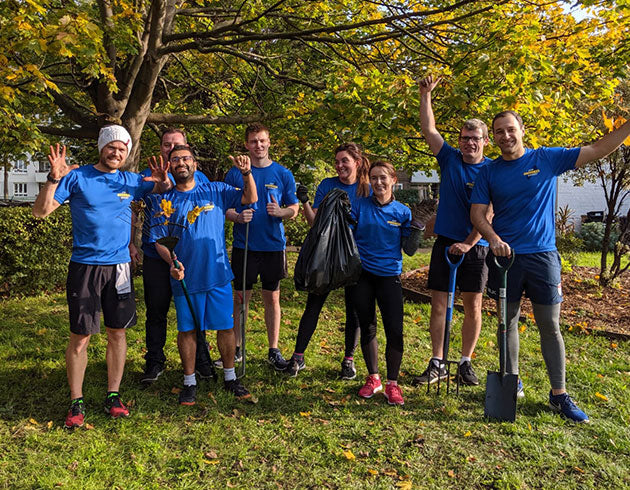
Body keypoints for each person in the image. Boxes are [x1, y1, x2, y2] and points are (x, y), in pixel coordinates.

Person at [471, 110, 630, 423]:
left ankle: (559, 394)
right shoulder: (488, 173)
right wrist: (493, 238)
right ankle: (511, 380)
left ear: (522, 130)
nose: (505, 136)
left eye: (510, 129)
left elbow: (598, 149)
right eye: (499, 132)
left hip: (543, 256)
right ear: (494, 137)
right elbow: (477, 215)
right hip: (506, 258)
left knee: (550, 325)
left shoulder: (547, 159)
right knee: (507, 322)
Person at [32, 125, 172, 429]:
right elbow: (40, 212)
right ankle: (76, 400)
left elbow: (164, 188)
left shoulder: (130, 180)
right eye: (112, 147)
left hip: (120, 267)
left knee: (117, 332)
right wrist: (54, 178)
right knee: (80, 337)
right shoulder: (78, 177)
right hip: (85, 267)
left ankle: (113, 395)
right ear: (101, 148)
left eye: (123, 149)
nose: (117, 152)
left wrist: (162, 181)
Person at [152, 145, 257, 405]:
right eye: (175, 159)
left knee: (225, 326)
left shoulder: (216, 190)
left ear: (195, 164)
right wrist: (172, 262)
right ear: (170, 165)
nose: (181, 163)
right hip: (185, 278)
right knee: (187, 330)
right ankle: (189, 382)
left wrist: (246, 174)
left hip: (218, 274)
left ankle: (230, 376)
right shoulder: (164, 201)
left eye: (186, 158)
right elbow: (159, 241)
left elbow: (249, 197)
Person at [412, 75, 492, 387]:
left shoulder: (492, 169)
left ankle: (465, 362)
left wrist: (470, 243)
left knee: (473, 305)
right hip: (446, 243)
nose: (469, 142)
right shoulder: (450, 159)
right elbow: (429, 130)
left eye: (475, 138)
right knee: (440, 303)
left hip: (477, 245)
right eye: (464, 138)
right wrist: (425, 95)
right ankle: (438, 361)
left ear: (485, 141)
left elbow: (490, 213)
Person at [285, 142, 372, 379]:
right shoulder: (327, 185)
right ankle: (298, 357)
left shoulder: (368, 189)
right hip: (327, 255)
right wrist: (304, 201)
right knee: (314, 303)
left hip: (356, 256)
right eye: (337, 161)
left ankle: (348, 360)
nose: (340, 165)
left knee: (353, 309)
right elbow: (314, 223)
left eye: (345, 160)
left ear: (356, 161)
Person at [136, 128, 214, 384]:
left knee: (194, 312)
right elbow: (133, 209)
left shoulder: (198, 177)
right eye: (166, 145)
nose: (171, 150)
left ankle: (202, 359)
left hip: (189, 259)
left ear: (187, 149)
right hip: (156, 256)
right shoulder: (146, 176)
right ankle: (155, 361)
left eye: (176, 145)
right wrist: (130, 243)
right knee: (156, 310)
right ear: (161, 149)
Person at [224, 123, 299, 371]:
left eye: (262, 141)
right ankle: (236, 348)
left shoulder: (283, 174)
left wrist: (282, 212)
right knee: (241, 297)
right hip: (244, 245)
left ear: (269, 143)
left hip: (273, 245)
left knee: (272, 297)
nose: (258, 145)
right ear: (246, 144)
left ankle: (273, 349)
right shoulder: (235, 173)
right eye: (254, 141)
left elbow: (294, 208)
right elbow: (225, 207)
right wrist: (236, 216)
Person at [351, 161, 422, 405]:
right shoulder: (359, 206)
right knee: (367, 326)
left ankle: (392, 384)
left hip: (390, 276)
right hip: (363, 276)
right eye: (374, 178)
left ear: (393, 180)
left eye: (383, 178)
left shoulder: (402, 212)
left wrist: (416, 231)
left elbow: (410, 251)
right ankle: (374, 378)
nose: (378, 182)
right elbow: (346, 237)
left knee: (394, 330)